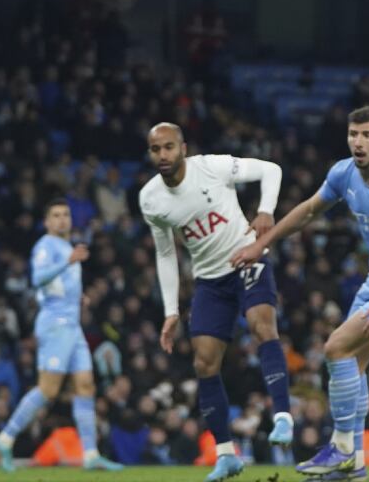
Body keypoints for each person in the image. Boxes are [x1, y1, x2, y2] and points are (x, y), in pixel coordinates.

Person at [231, 106, 369, 481]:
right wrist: (263, 243)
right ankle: (354, 466)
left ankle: (342, 448)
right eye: (354, 134)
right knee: (350, 368)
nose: (359, 142)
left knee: (335, 348)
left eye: (368, 135)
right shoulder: (343, 173)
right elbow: (310, 210)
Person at [139, 122, 292, 482]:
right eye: (156, 149)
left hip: (247, 258)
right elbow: (165, 255)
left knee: (260, 324)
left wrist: (266, 211)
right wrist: (171, 311)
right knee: (204, 363)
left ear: (183, 148)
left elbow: (271, 169)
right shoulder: (150, 199)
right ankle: (226, 455)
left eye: (169, 147)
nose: (163, 155)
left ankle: (283, 416)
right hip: (209, 280)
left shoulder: (210, 166)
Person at [0, 199, 123, 472]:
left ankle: (90, 455)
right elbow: (38, 278)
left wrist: (78, 296)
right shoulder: (46, 246)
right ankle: (5, 438)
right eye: (56, 216)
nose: (62, 220)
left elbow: (55, 285)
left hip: (72, 326)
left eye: (66, 215)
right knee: (48, 389)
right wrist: (68, 261)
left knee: (85, 385)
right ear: (47, 222)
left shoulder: (65, 247)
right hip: (55, 325)